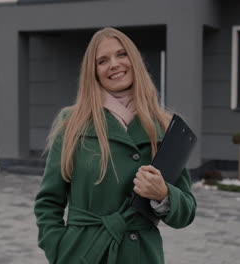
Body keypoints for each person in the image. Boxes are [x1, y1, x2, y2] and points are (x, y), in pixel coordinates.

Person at [34, 27, 196, 264]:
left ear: (134, 60)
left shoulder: (163, 125)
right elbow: (48, 202)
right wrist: (59, 250)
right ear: (94, 72)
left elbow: (187, 211)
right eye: (102, 60)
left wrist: (164, 194)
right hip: (83, 254)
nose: (114, 64)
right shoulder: (72, 122)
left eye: (122, 54)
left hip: (141, 254)